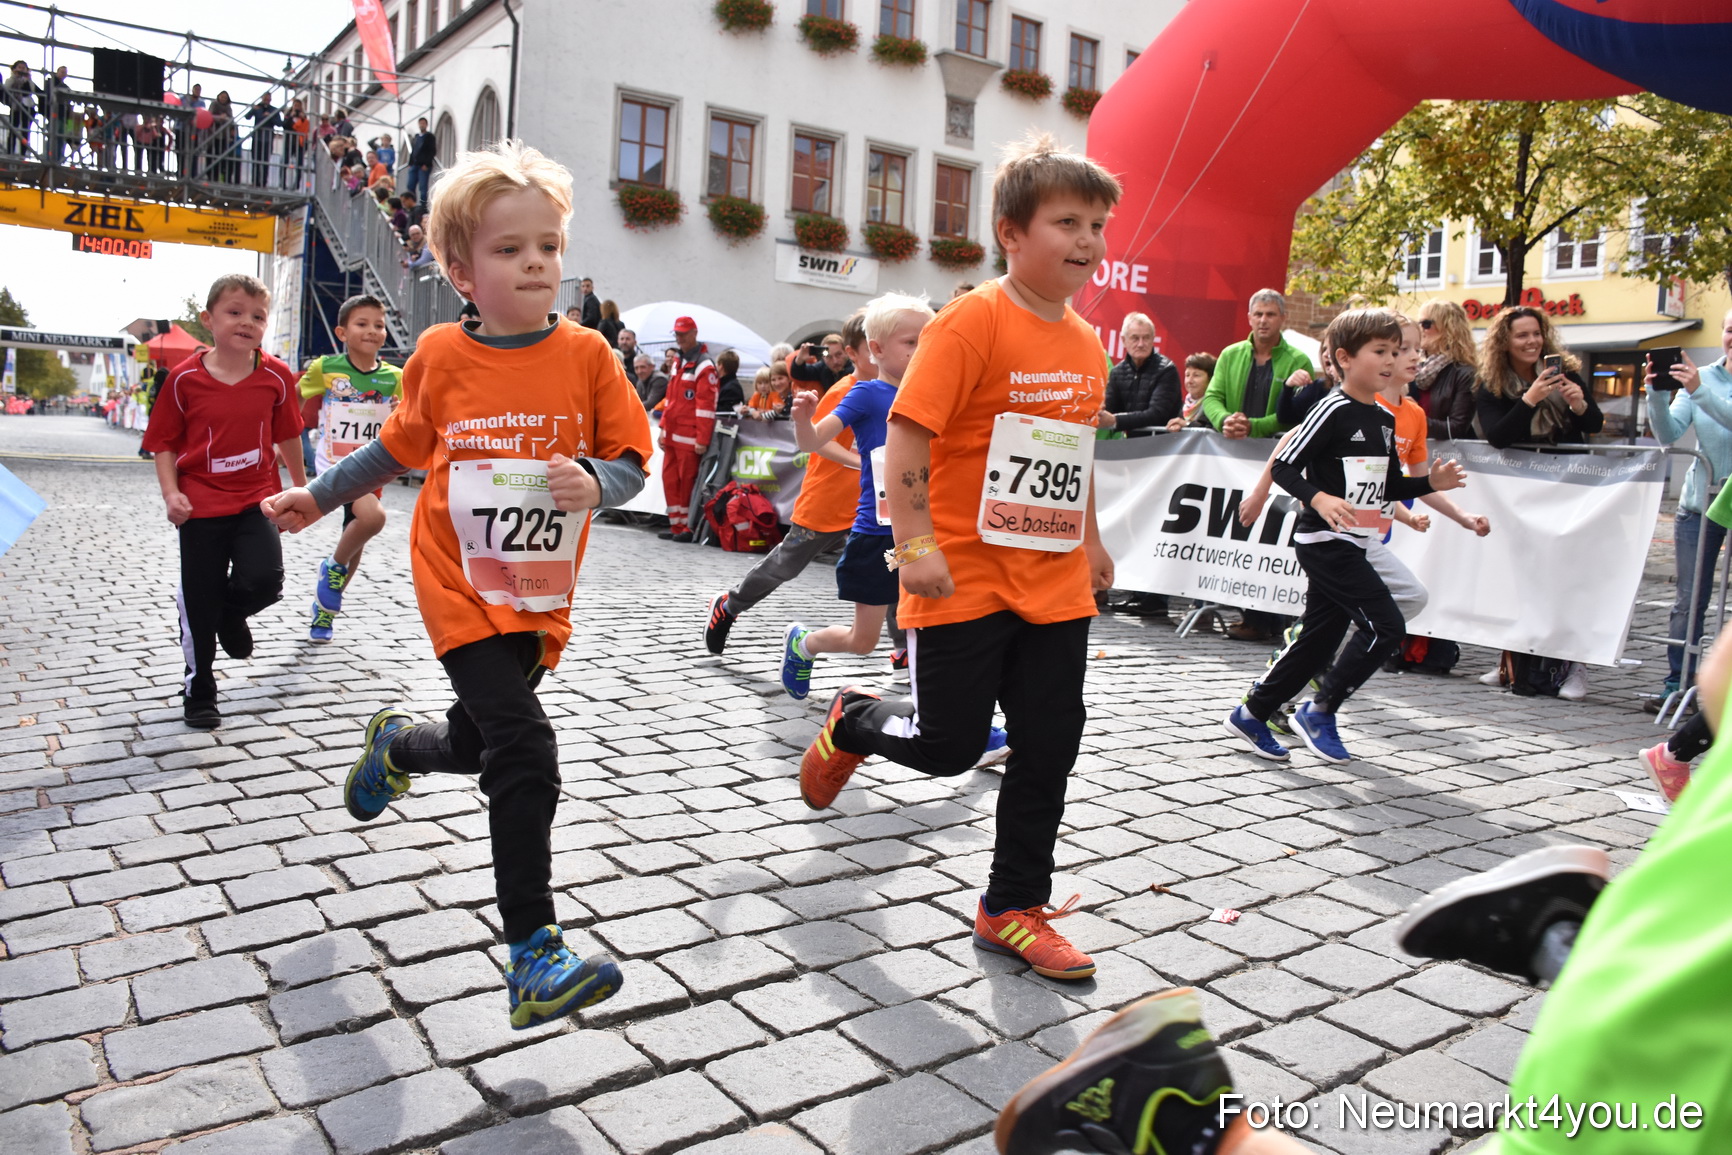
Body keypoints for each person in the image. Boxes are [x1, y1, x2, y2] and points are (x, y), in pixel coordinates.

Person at [262, 139, 650, 1031]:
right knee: (526, 746)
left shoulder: (590, 356)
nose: (536, 263)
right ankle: (533, 953)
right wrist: (317, 497)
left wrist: (596, 480)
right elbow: (392, 448)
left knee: (477, 744)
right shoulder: (438, 354)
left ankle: (397, 748)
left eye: (548, 245)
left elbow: (633, 462)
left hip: (538, 596)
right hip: (456, 584)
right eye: (510, 249)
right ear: (461, 270)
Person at [795, 134, 1121, 982]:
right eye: (1067, 222)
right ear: (1011, 232)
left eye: (1096, 225)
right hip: (963, 571)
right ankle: (854, 720)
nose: (1087, 241)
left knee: (1050, 742)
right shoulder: (971, 321)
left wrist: (1091, 539)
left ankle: (1011, 906)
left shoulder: (1088, 343)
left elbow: (1073, 451)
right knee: (948, 745)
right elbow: (907, 437)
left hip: (1052, 579)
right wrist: (914, 545)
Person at [1223, 308, 1466, 764]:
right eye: (1380, 351)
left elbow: (1389, 486)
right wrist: (1318, 499)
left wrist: (1430, 483)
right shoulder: (1330, 409)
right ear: (1344, 358)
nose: (1391, 361)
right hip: (1323, 543)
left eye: (1395, 352)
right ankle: (1319, 710)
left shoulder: (1384, 419)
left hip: (1356, 541)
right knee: (1387, 626)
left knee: (1317, 639)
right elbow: (1284, 466)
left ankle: (1252, 713)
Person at [142, 274, 306, 730]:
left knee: (265, 580)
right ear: (208, 319)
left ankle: (231, 616)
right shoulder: (182, 380)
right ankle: (200, 689)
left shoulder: (276, 375)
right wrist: (172, 494)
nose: (247, 322)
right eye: (235, 313)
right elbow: (163, 443)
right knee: (199, 599)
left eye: (258, 316)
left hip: (257, 499)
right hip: (200, 507)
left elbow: (289, 435)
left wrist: (301, 491)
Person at [707, 311, 908, 671]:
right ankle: (730, 605)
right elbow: (815, 440)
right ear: (854, 353)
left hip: (872, 509)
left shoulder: (895, 392)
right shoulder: (846, 390)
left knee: (892, 566)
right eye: (871, 349)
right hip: (827, 502)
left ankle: (902, 646)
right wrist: (860, 461)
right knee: (784, 565)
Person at [784, 294, 935, 699]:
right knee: (863, 640)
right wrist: (802, 419)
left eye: (928, 341)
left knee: (932, 623)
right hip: (878, 533)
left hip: (925, 530)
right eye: (911, 342)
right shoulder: (867, 394)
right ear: (877, 349)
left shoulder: (935, 393)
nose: (922, 350)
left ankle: (942, 713)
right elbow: (812, 441)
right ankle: (805, 644)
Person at [1473, 305, 1602, 699]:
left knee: (1566, 575)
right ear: (1504, 341)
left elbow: (1594, 424)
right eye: (1522, 335)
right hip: (1520, 490)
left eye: (1536, 333)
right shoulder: (1492, 383)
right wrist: (1529, 399)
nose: (1531, 341)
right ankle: (1513, 662)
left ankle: (1574, 665)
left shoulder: (1565, 371)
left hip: (1566, 486)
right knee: (1521, 575)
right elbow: (1498, 436)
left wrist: (1579, 405)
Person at [1205, 289, 1316, 641]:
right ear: (1249, 318)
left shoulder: (1298, 359)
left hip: (1277, 461)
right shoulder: (1230, 354)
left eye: (1270, 314)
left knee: (1271, 535)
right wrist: (1224, 420)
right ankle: (1248, 614)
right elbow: (1212, 397)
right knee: (1238, 533)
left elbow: (1295, 415)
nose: (1264, 320)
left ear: (1283, 318)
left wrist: (1255, 426)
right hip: (1234, 458)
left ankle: (1267, 618)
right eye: (1258, 314)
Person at [294, 294, 402, 644]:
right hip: (334, 463)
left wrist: (399, 411)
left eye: (379, 325)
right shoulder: (325, 368)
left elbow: (408, 416)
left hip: (373, 464)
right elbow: (292, 401)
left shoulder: (395, 377)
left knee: (356, 532)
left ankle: (325, 608)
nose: (372, 330)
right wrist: (287, 439)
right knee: (372, 518)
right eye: (362, 323)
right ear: (342, 332)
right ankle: (333, 568)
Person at [1642, 307, 1732, 711]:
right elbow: (1668, 434)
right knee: (1689, 599)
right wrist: (1656, 394)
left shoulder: (1699, 385)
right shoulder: (1703, 376)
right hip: (1700, 504)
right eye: (1730, 330)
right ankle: (1677, 681)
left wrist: (1698, 391)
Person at [657, 316, 718, 541]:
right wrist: (663, 428)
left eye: (683, 334)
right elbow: (670, 399)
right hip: (673, 434)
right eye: (677, 334)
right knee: (670, 481)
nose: (679, 338)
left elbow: (706, 406)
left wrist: (702, 438)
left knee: (687, 483)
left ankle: (687, 527)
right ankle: (676, 525)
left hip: (690, 436)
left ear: (694, 334)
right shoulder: (678, 361)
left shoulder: (704, 365)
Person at [1096, 312, 1181, 436]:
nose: (1141, 344)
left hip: (1164, 444)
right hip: (1131, 445)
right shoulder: (1117, 372)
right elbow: (1109, 409)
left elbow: (1157, 414)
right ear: (1124, 340)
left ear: (1153, 339)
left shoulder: (1167, 370)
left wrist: (1116, 420)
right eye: (1135, 338)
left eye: (1146, 338)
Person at [1412, 298, 1478, 440]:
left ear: (1449, 329)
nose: (1420, 329)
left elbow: (1456, 428)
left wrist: (1413, 417)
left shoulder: (1465, 373)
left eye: (1426, 324)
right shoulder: (1412, 366)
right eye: (1418, 324)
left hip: (1446, 452)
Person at [1166, 352, 1216, 431]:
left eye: (1196, 375)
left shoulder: (1215, 404)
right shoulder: (1180, 406)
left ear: (1210, 378)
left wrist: (1187, 424)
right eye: (1187, 375)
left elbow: (1211, 431)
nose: (1190, 381)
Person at [6, 60, 36, 157]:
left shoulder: (28, 80)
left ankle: (23, 153)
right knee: (13, 130)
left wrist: (28, 79)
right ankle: (10, 152)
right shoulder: (11, 79)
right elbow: (7, 87)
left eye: (24, 68)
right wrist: (14, 76)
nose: (22, 70)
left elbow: (32, 90)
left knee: (25, 132)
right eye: (19, 67)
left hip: (27, 107)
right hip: (15, 107)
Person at [246, 92, 278, 187]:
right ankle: (255, 181)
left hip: (268, 139)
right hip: (257, 138)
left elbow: (279, 123)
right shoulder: (257, 107)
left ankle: (263, 183)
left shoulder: (273, 110)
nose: (266, 100)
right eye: (265, 98)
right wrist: (253, 109)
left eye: (268, 99)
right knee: (255, 160)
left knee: (265, 162)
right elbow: (247, 117)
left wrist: (270, 116)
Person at [404, 115, 435, 205]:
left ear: (426, 125)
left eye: (423, 123)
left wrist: (426, 164)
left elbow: (432, 151)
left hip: (423, 165)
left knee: (423, 186)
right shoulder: (416, 137)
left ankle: (423, 205)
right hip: (414, 164)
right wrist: (410, 163)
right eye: (420, 123)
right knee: (410, 185)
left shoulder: (429, 137)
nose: (422, 125)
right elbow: (413, 151)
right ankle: (411, 203)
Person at [713, 348, 745, 416]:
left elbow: (724, 412)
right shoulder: (725, 384)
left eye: (716, 364)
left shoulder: (731, 388)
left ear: (721, 366)